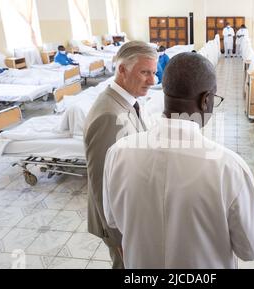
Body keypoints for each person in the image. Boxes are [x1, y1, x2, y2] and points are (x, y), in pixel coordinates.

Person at [102, 52, 254, 269]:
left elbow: (113, 220)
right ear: (206, 100)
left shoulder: (118, 153)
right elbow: (252, 248)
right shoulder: (228, 168)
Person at [84, 41, 157, 269]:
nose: (152, 81)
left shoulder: (129, 102)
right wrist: (116, 238)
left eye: (154, 73)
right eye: (145, 72)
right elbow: (100, 181)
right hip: (119, 226)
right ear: (122, 70)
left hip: (132, 213)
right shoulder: (108, 115)